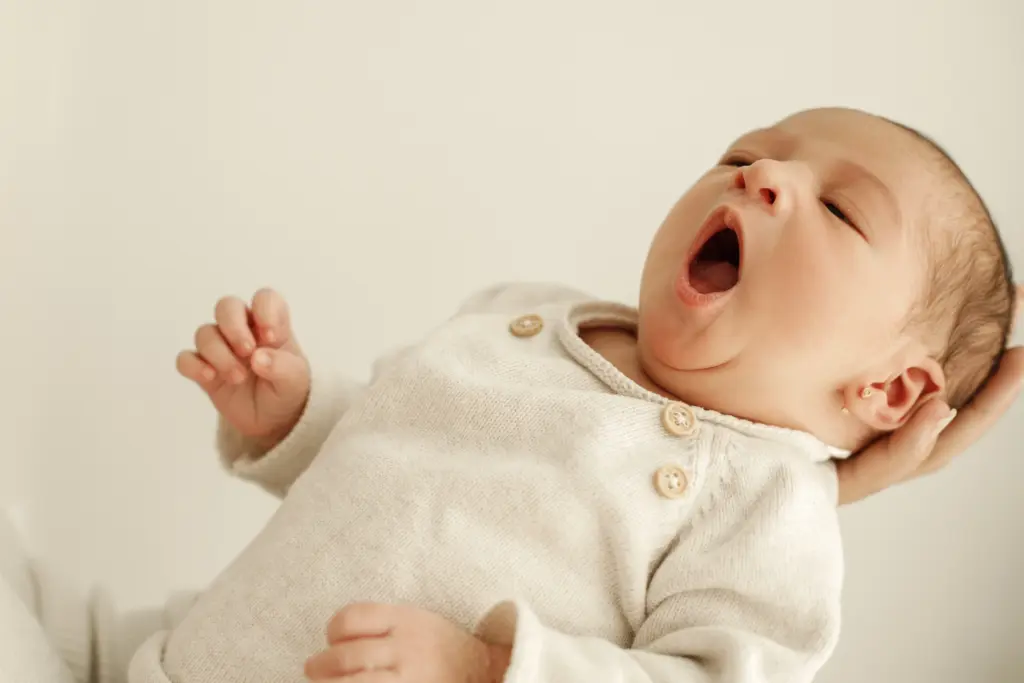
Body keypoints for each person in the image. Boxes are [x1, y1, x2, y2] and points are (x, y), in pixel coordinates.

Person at [3, 107, 1020, 683]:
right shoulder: (526, 314)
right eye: (745, 154)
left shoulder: (764, 504)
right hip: (162, 652)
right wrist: (292, 412)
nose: (761, 179)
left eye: (840, 209)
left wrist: (488, 666)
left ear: (891, 385)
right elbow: (385, 472)